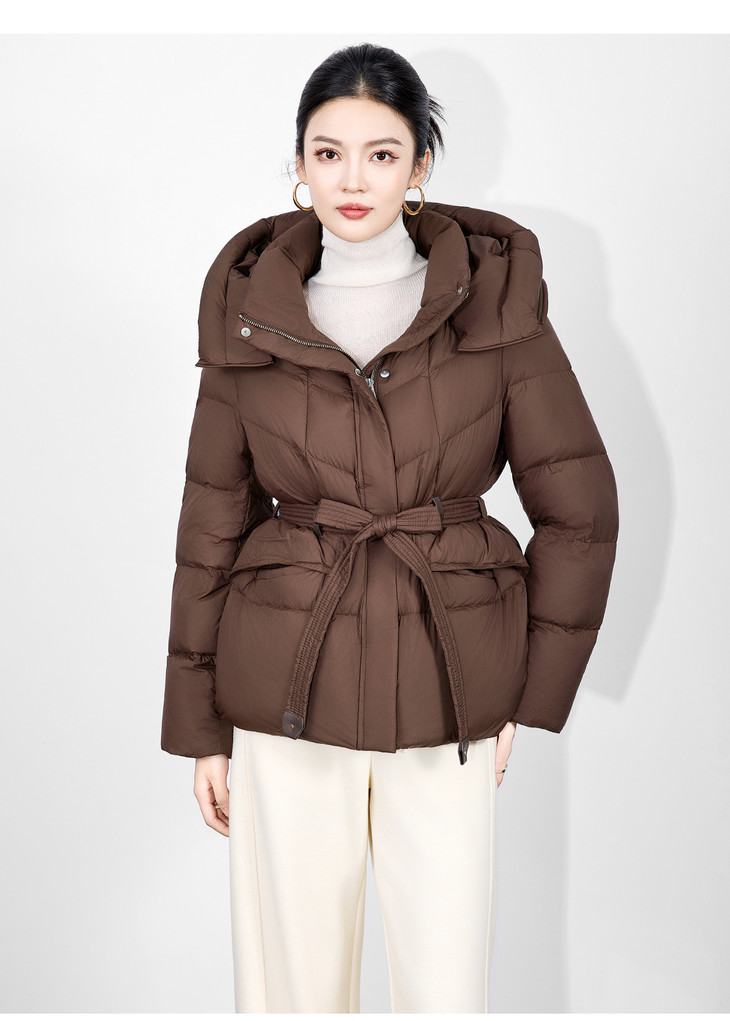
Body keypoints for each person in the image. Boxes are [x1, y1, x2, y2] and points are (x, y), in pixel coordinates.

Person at [161, 42, 619, 1013]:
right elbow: (209, 526)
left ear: (419, 167)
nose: (352, 179)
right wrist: (201, 728)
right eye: (328, 153)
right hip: (284, 689)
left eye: (380, 154)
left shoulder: (497, 309)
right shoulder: (249, 313)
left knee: (443, 989)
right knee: (290, 990)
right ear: (299, 163)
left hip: (451, 688)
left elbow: (579, 508)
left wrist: (527, 696)